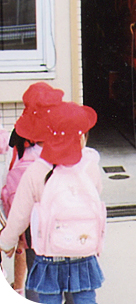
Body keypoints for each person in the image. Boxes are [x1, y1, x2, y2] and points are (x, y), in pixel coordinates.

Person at [0, 100, 105, 304]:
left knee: (48, 298)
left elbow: (20, 215)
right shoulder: (90, 167)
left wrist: (6, 242)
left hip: (48, 255)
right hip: (83, 252)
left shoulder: (37, 170)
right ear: (81, 138)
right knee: (85, 297)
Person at [1, 82, 64, 301]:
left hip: (31, 229)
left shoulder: (21, 140)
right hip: (63, 226)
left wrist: (11, 233)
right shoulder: (64, 140)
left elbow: (13, 195)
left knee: (37, 275)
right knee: (65, 277)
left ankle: (22, 291)